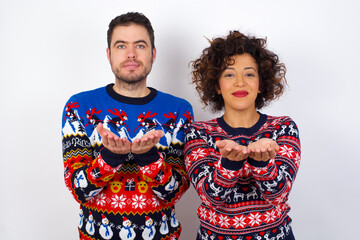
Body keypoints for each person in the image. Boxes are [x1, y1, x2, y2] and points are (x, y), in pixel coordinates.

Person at [62, 12, 193, 240]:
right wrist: (110, 157)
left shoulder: (179, 110)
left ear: (153, 53)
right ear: (109, 54)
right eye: (121, 46)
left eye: (140, 45)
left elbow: (174, 191)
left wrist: (148, 158)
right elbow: (79, 189)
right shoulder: (79, 106)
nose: (131, 54)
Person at [184, 31, 300, 240]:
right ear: (217, 86)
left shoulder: (283, 128)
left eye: (249, 74)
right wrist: (229, 163)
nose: (240, 82)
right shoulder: (199, 133)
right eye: (229, 74)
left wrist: (262, 163)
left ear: (261, 84)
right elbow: (210, 197)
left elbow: (279, 194)